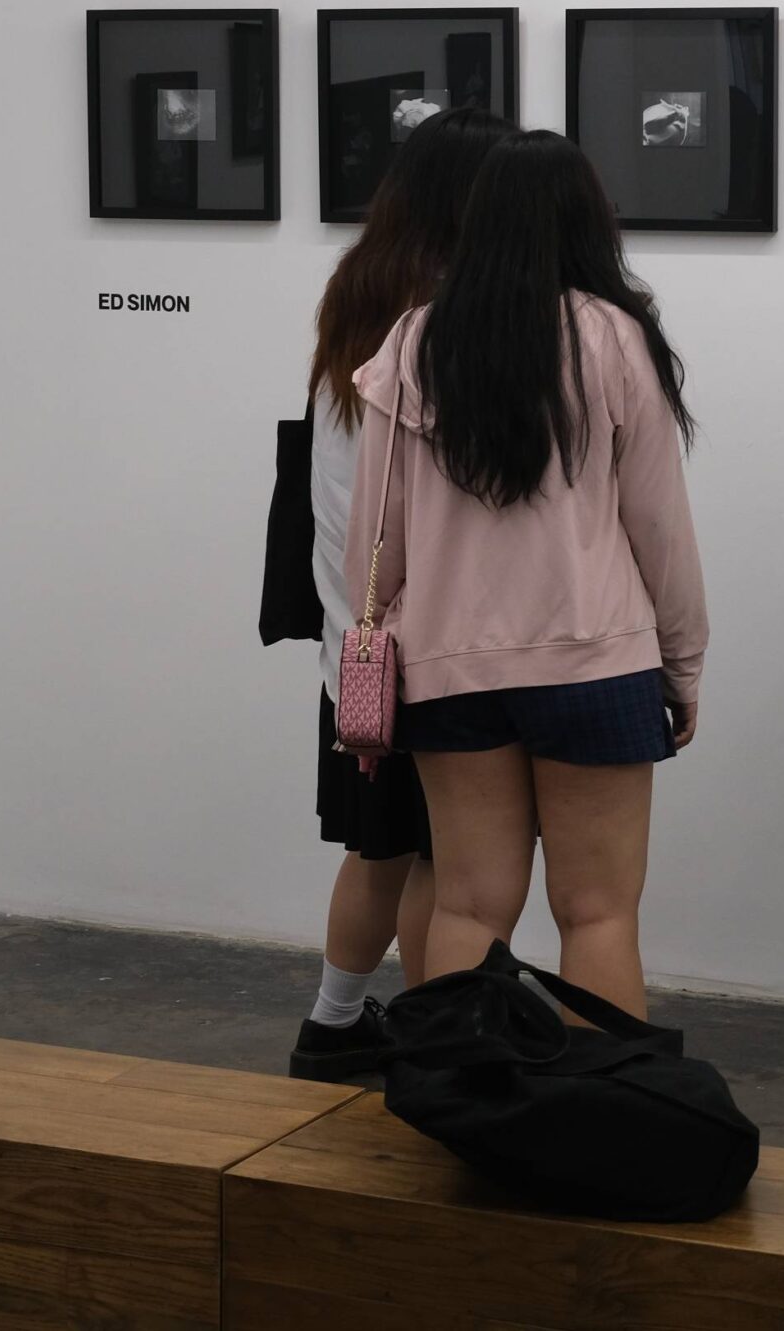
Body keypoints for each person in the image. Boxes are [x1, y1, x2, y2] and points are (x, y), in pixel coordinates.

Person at [342, 130, 704, 1018]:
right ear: (587, 221)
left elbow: (373, 539)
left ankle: (463, 1114)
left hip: (449, 669)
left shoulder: (415, 340)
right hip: (594, 661)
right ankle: (597, 1121)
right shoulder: (613, 336)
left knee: (467, 903)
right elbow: (658, 526)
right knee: (597, 911)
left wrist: (370, 644)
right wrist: (683, 662)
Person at [290, 105, 516, 1078]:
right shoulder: (446, 315)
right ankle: (432, 1049)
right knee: (441, 863)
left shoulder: (358, 287)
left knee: (380, 848)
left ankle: (335, 1026)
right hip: (424, 633)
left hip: (357, 639)